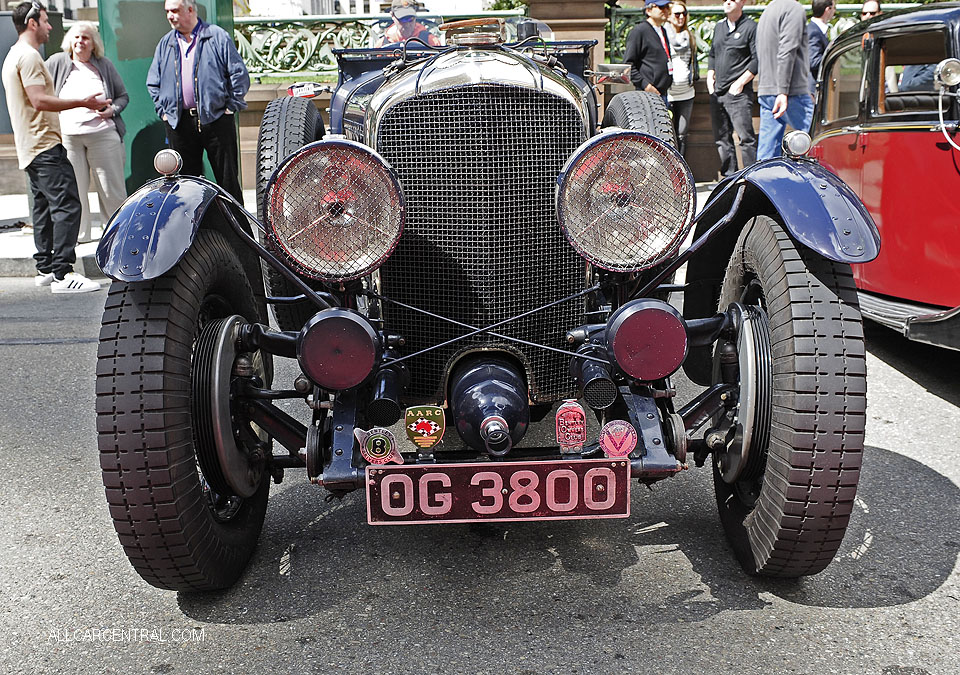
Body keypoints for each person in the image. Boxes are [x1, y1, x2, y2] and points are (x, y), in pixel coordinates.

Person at [1, 1, 104, 293]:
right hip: (44, 143)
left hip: (30, 146)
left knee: (44, 209)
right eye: (45, 22)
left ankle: (45, 267)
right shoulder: (30, 57)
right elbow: (39, 100)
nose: (49, 27)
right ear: (32, 23)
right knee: (68, 205)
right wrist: (84, 102)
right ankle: (63, 273)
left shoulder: (13, 56)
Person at [147, 0, 249, 202]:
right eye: (167, 11)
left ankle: (236, 231)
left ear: (190, 10)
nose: (170, 16)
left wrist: (230, 107)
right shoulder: (166, 42)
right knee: (184, 184)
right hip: (179, 122)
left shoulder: (216, 36)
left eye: (175, 11)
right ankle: (192, 231)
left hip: (216, 119)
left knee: (227, 181)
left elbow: (239, 74)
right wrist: (164, 112)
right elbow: (153, 82)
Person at [46, 22, 129, 243]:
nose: (80, 42)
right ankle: (80, 237)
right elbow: (40, 89)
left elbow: (123, 96)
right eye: (76, 37)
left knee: (111, 190)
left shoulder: (104, 65)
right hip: (69, 137)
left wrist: (112, 110)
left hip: (103, 134)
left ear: (94, 44)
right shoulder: (57, 62)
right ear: (69, 42)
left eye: (86, 38)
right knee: (74, 190)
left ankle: (116, 236)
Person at [756, 0, 813, 160]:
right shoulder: (793, 9)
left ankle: (762, 184)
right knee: (816, 143)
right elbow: (787, 50)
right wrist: (782, 91)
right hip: (789, 92)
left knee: (766, 156)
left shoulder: (768, 11)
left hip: (768, 90)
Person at [707, 0, 758, 177]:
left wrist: (740, 83)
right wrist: (709, 75)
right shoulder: (719, 27)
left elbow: (757, 59)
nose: (727, 2)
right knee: (722, 139)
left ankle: (752, 178)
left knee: (745, 138)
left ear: (742, 2)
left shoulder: (751, 27)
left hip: (738, 94)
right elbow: (712, 53)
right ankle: (729, 178)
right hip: (717, 92)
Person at [624, 0, 673, 107]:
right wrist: (645, 85)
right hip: (647, 94)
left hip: (663, 92)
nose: (665, 10)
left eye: (667, 7)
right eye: (661, 7)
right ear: (649, 10)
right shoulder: (639, 31)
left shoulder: (662, 30)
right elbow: (628, 64)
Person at [665, 2, 698, 156]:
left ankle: (681, 169)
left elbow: (693, 62)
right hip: (668, 92)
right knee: (667, 135)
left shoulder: (689, 36)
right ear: (669, 16)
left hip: (687, 92)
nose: (681, 17)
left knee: (682, 134)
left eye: (684, 14)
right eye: (677, 14)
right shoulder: (663, 35)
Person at [375, 0, 441, 48]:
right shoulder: (382, 44)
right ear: (393, 16)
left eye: (410, 18)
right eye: (402, 19)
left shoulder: (430, 41)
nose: (407, 24)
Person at [808, 0, 835, 95]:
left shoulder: (816, 29)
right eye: (834, 8)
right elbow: (814, 61)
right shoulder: (814, 32)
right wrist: (833, 58)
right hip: (812, 90)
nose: (834, 11)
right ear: (828, 9)